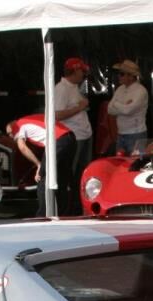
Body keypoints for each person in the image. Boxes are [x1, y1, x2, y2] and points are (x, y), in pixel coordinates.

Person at [7, 114, 76, 216]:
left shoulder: (19, 125)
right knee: (62, 179)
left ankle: (42, 215)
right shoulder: (31, 119)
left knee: (42, 179)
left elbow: (22, 147)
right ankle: (64, 213)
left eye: (9, 133)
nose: (10, 136)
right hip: (70, 138)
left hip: (57, 141)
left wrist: (38, 164)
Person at [55, 57, 93, 208]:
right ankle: (71, 206)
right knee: (72, 174)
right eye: (82, 71)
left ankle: (79, 204)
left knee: (82, 174)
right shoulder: (61, 89)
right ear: (75, 71)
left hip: (83, 135)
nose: (84, 74)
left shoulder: (73, 87)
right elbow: (56, 115)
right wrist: (80, 107)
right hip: (74, 137)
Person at [108, 60, 148, 155]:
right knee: (120, 164)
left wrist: (116, 103)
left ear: (130, 76)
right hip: (121, 134)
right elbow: (109, 109)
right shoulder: (119, 89)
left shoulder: (140, 91)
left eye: (122, 74)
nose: (119, 76)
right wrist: (124, 105)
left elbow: (128, 110)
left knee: (137, 164)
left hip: (137, 135)